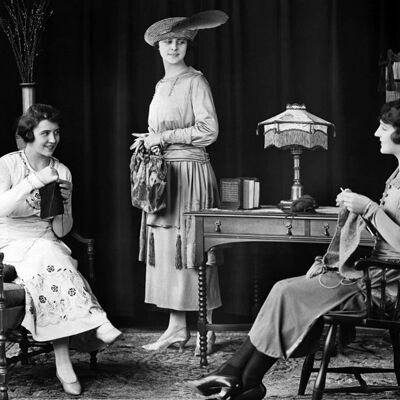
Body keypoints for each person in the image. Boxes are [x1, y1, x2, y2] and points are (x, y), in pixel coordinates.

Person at [188, 99, 400, 400]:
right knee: (282, 289)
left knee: (287, 292)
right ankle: (242, 377)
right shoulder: (396, 176)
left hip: (385, 287)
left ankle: (241, 376)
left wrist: (369, 208)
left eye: (384, 127)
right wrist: (357, 212)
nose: (377, 133)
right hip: (372, 274)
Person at [0, 104, 122, 396]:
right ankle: (93, 326)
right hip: (10, 245)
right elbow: (1, 208)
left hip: (46, 244)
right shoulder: (8, 164)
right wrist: (34, 181)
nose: (53, 139)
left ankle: (64, 360)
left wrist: (65, 206)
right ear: (29, 134)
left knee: (50, 252)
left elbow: (61, 230)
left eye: (56, 133)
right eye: (45, 133)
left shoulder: (62, 170)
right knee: (51, 256)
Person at [135, 10, 228, 355]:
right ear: (157, 47)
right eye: (167, 41)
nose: (173, 46)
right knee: (167, 248)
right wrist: (148, 140)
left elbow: (209, 131)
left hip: (191, 174)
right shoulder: (161, 85)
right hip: (164, 177)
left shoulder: (195, 81)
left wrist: (163, 137)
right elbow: (161, 134)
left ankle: (207, 327)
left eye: (179, 41)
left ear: (187, 46)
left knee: (192, 248)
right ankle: (176, 328)